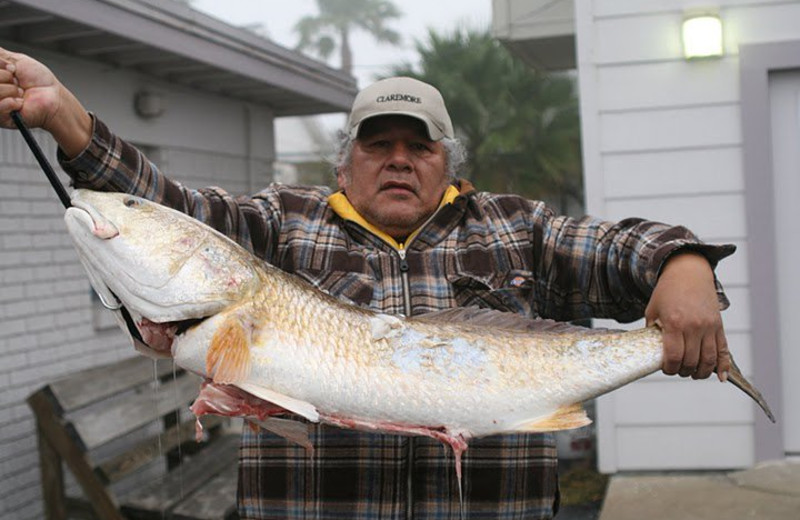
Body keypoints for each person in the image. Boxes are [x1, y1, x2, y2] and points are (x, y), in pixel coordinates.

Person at [0, 47, 734, 520]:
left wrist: (683, 264)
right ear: (344, 161)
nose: (399, 160)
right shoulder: (278, 223)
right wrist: (65, 117)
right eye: (377, 144)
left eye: (419, 146)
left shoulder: (518, 228)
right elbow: (175, 210)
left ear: (449, 161)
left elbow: (616, 246)